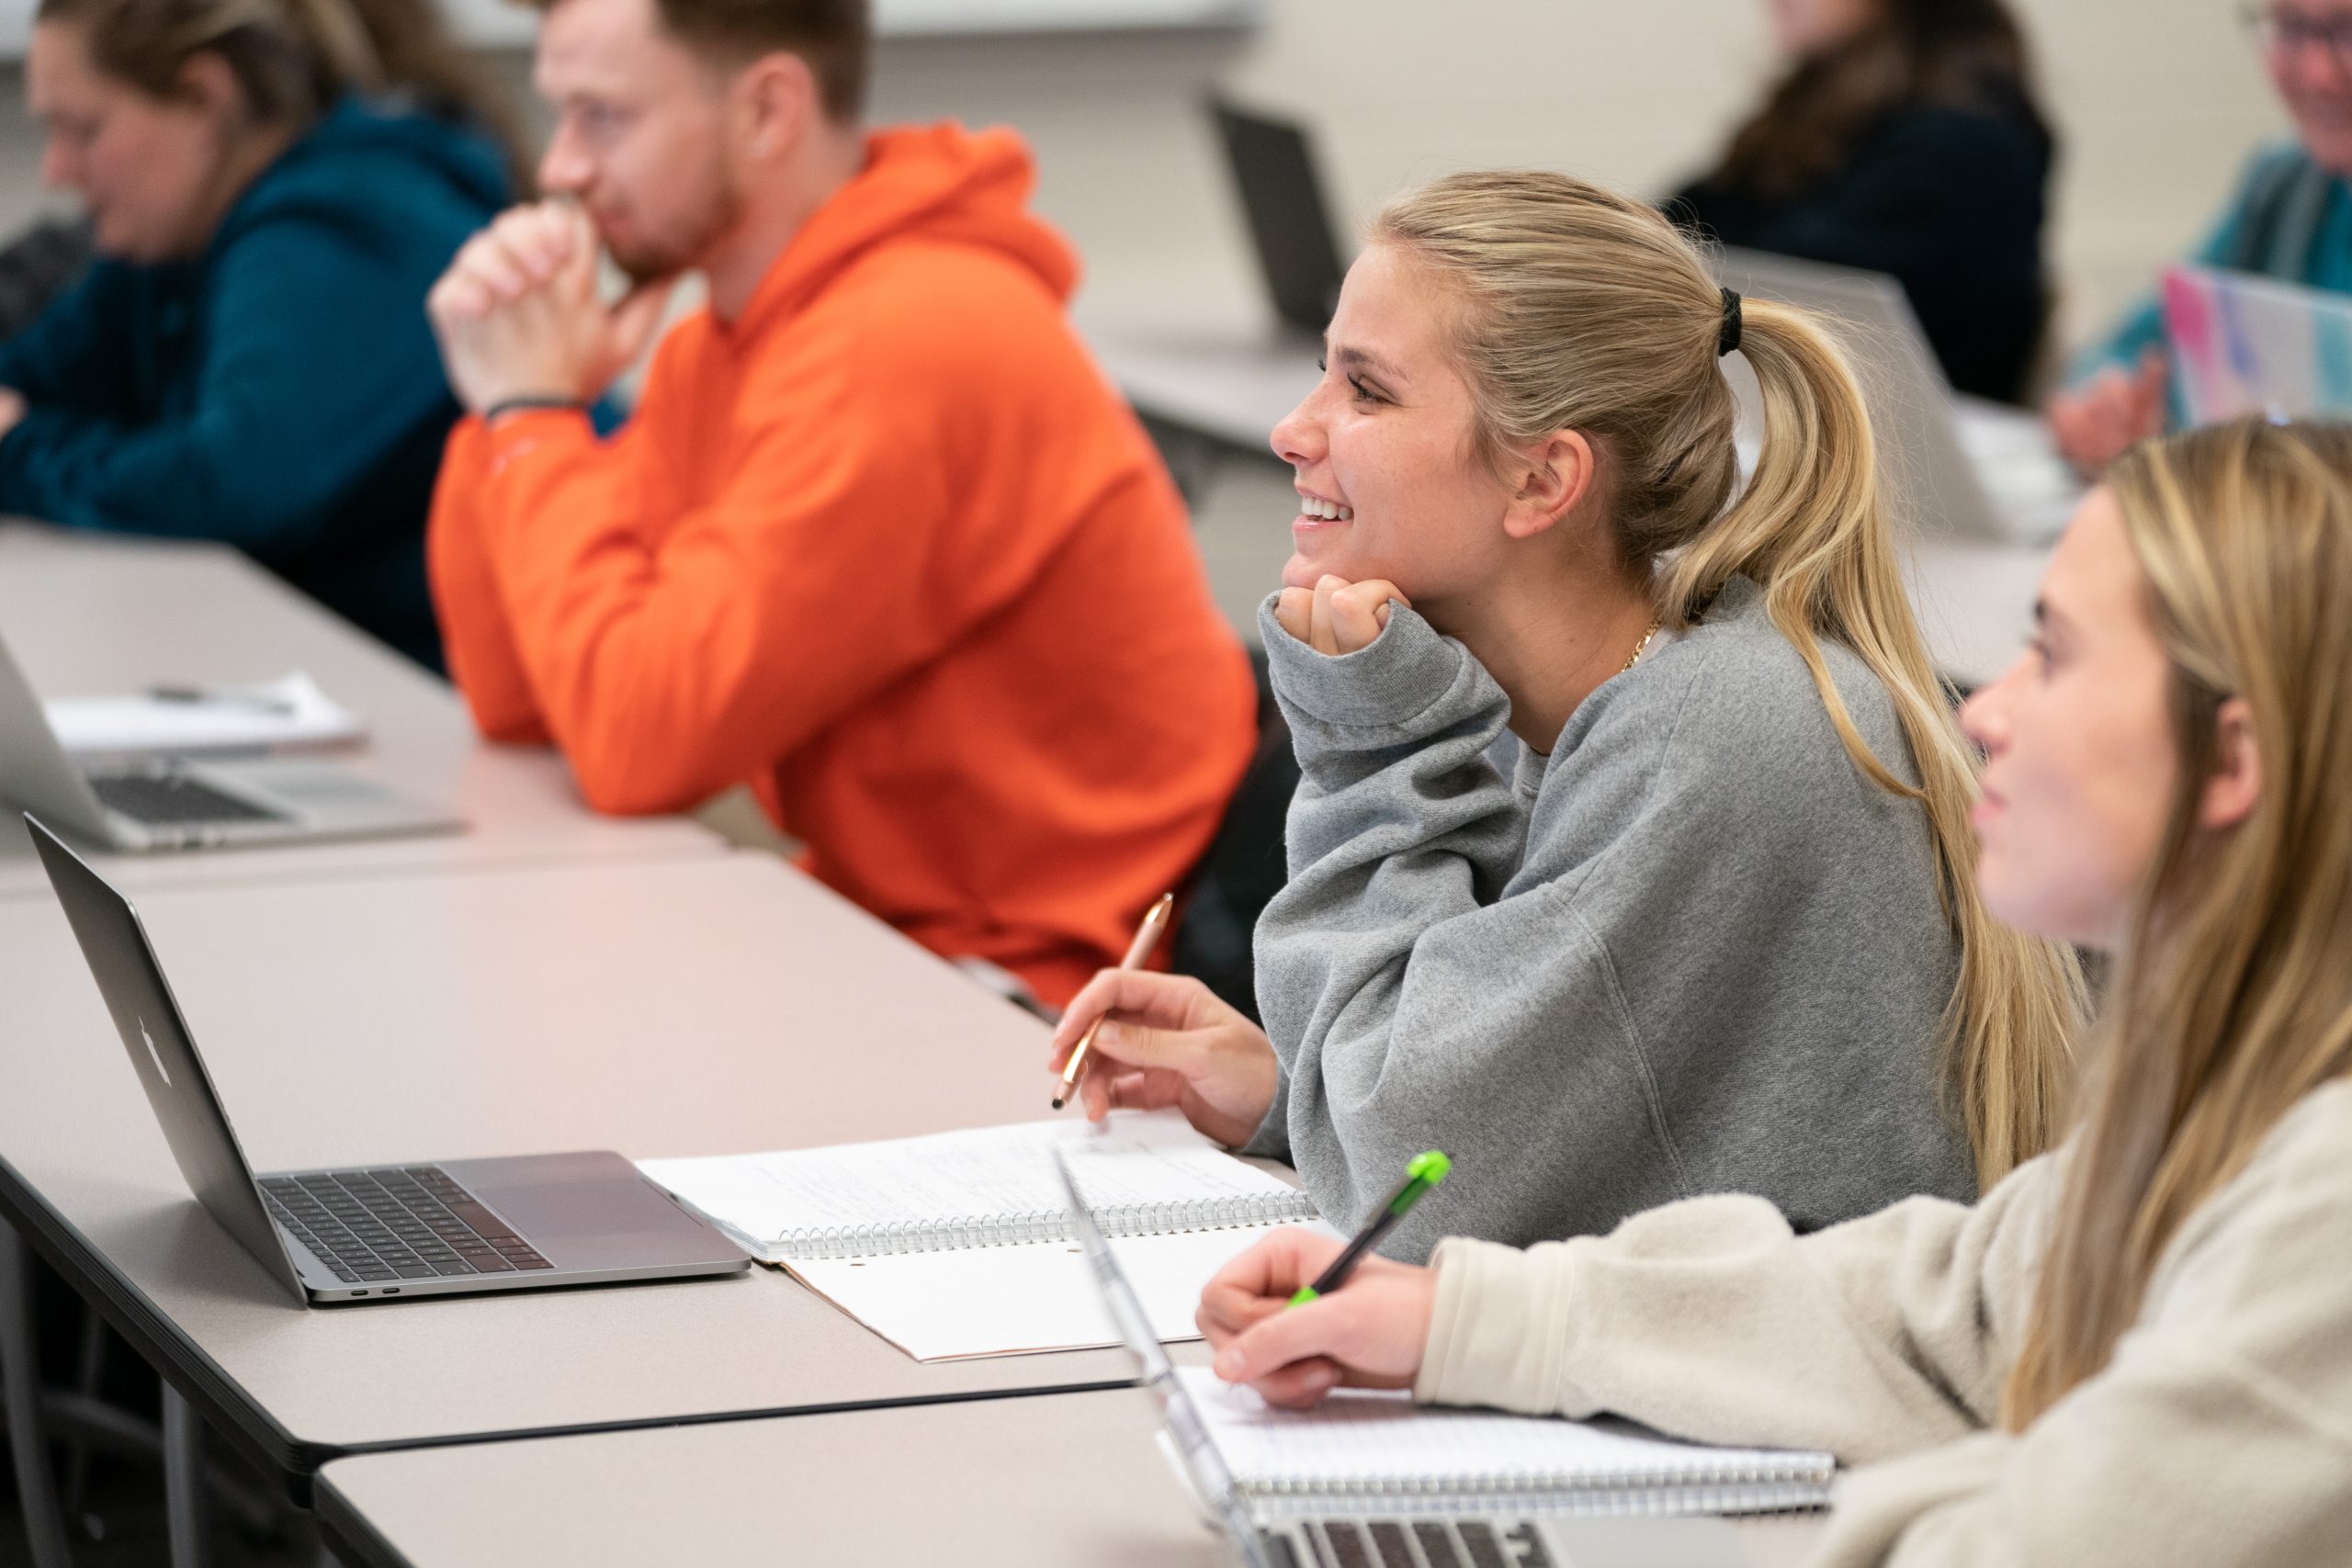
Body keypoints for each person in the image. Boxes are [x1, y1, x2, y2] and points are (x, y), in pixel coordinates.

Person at [1195, 417, 2352, 1567]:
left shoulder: (2327, 1207)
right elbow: (1942, 1314)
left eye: (2053, 655)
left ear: (2233, 763)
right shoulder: (2234, 1107)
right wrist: (1453, 1321)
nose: (1989, 711)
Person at [1048, 170, 2084, 1259]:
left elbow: (1415, 1197)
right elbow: (1559, 1121)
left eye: (1367, 391)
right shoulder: (1549, 701)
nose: (1294, 431)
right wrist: (1288, 1091)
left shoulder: (1706, 734)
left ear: (1543, 482)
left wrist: (1372, 750)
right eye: (1323, 375)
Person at [423, 0, 1256, 1009]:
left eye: (604, 117)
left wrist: (533, 416)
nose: (562, 168)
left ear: (768, 110)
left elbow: (635, 744)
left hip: (1048, 989)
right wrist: (514, 418)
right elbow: (527, 701)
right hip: (891, 934)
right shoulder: (731, 342)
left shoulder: (900, 340)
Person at [0, 0, 524, 671]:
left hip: (466, 700)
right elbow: (31, 372)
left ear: (204, 100)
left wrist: (19, 446)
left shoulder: (346, 225)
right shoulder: (170, 243)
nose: (57, 170)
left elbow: (231, 487)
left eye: (84, 129)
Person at [1667, 0, 2054, 404]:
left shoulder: (1965, 140)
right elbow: (1678, 225)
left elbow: (1779, 283)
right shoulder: (1817, 106)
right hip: (1796, 409)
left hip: (1912, 440)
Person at [2049, 0, 2352, 473]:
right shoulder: (2283, 188)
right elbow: (2135, 343)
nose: (2318, 73)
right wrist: (2112, 404)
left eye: (2350, 31)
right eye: (2291, 29)